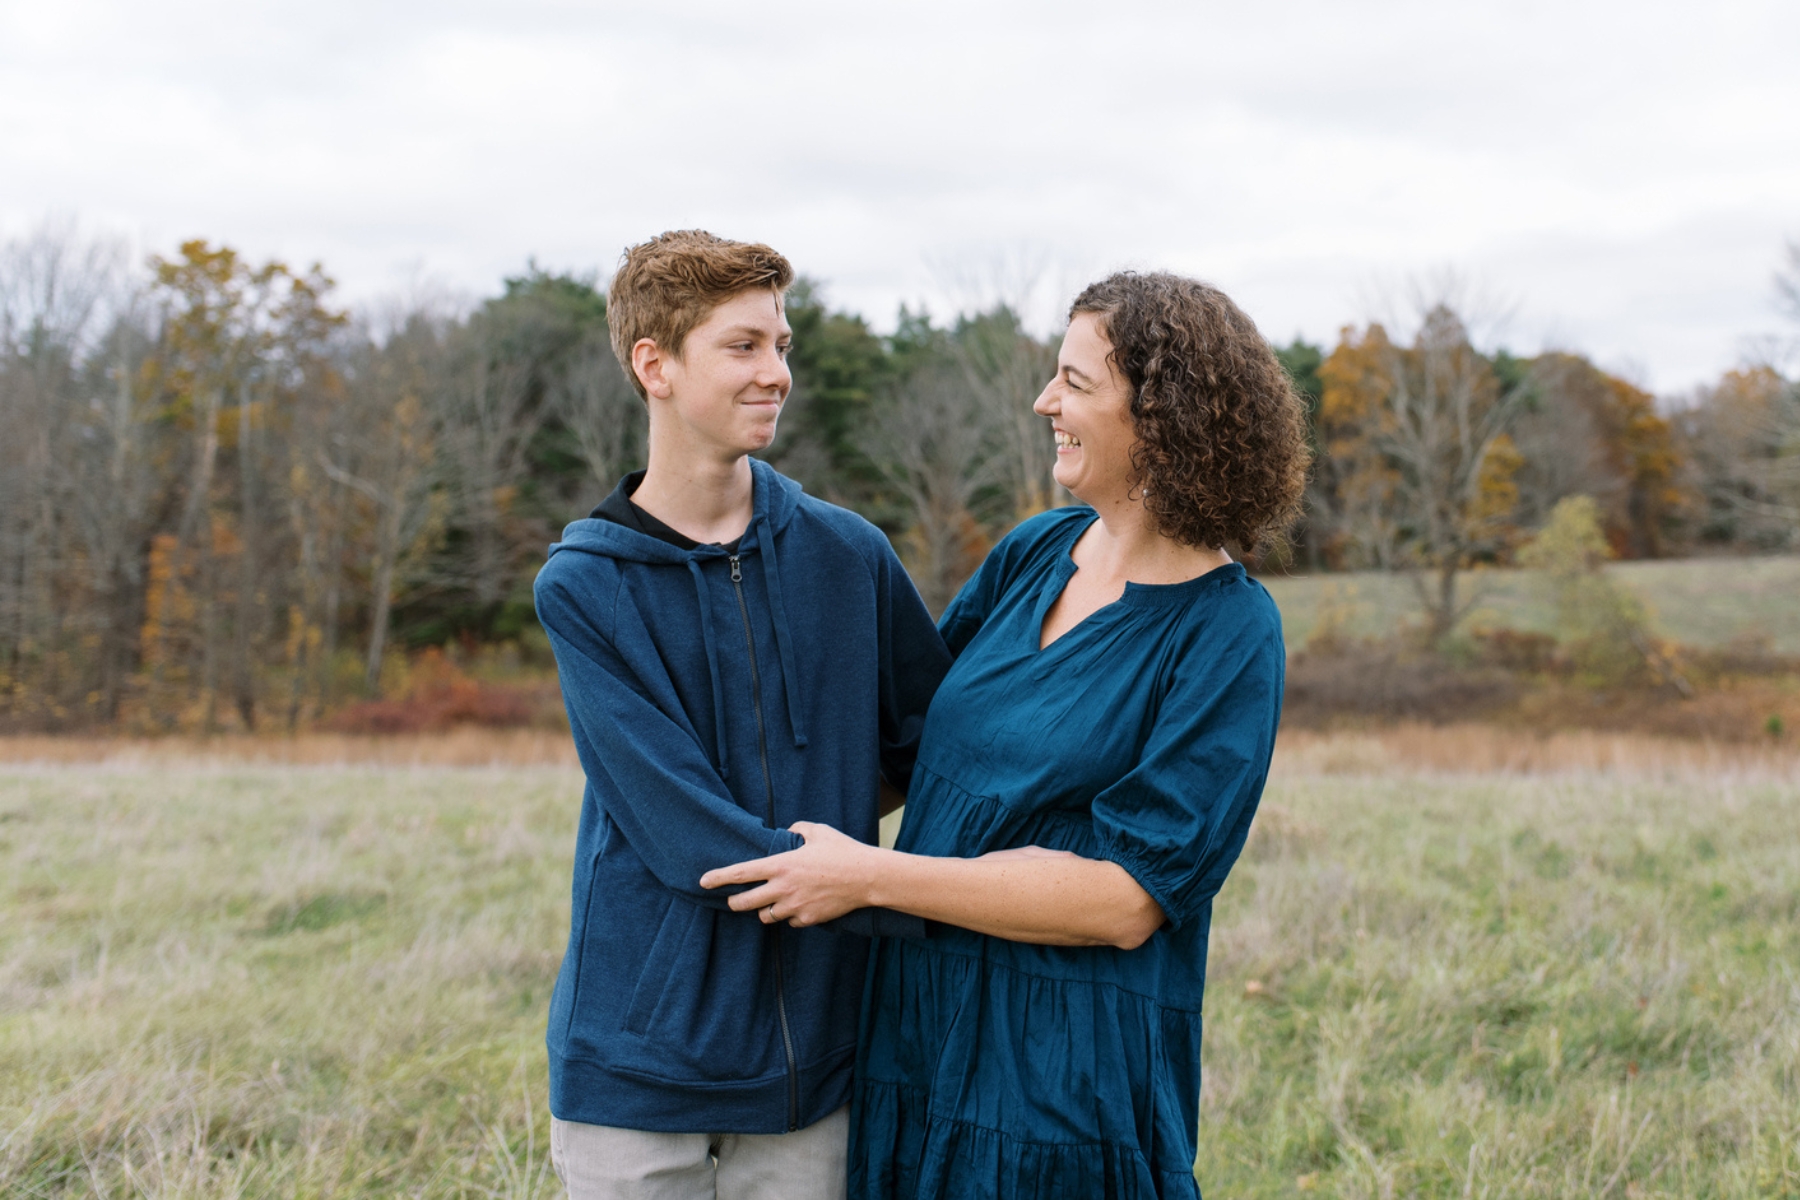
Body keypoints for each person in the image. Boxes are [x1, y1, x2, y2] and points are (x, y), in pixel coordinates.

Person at [701, 270, 1310, 1199]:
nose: (1045, 401)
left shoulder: (1226, 632)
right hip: (913, 1019)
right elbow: (907, 746)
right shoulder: (1033, 553)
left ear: (1162, 416)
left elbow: (1127, 897)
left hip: (1059, 1064)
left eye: (1075, 381)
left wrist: (871, 876)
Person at [534, 230, 951, 1200]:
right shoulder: (585, 587)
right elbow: (681, 825)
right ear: (656, 366)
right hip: (637, 1059)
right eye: (743, 346)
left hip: (819, 1055)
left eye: (783, 345)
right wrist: (861, 881)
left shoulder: (848, 556)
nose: (777, 374)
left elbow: (935, 748)